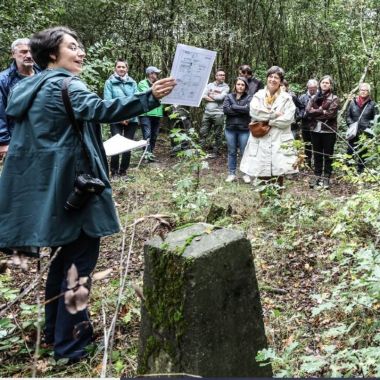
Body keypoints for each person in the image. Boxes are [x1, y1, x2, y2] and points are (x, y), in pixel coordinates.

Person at [0, 26, 175, 362]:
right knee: (77, 269)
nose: (80, 53)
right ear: (52, 54)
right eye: (73, 47)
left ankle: (54, 333)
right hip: (78, 193)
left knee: (62, 263)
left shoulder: (27, 87)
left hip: (50, 194)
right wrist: (150, 97)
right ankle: (72, 347)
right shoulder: (67, 84)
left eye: (81, 47)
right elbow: (104, 110)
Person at [240, 66, 298, 188]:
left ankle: (276, 203)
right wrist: (273, 115)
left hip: (279, 139)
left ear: (280, 81)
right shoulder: (258, 95)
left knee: (279, 173)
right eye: (270, 77)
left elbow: (287, 119)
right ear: (267, 78)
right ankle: (264, 203)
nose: (272, 80)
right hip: (261, 139)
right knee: (261, 172)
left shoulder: (287, 98)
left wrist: (268, 121)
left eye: (276, 77)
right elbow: (254, 113)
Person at [0, 38, 40, 158]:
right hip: (17, 139)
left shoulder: (44, 75)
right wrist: (3, 141)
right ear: (13, 54)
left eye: (31, 51)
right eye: (23, 52)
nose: (28, 55)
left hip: (42, 137)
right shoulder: (3, 80)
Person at [104, 59, 138, 178]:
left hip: (131, 119)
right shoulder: (109, 83)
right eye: (119, 67)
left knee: (127, 146)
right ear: (115, 69)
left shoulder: (133, 83)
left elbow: (135, 101)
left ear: (127, 69)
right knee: (116, 145)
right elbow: (108, 102)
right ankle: (114, 172)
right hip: (116, 119)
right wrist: (120, 118)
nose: (121, 69)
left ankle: (123, 171)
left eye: (123, 67)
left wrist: (128, 117)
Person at [306, 75, 339, 189]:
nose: (325, 84)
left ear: (330, 85)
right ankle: (317, 175)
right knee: (317, 154)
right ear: (320, 84)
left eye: (327, 83)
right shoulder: (314, 97)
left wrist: (316, 113)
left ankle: (326, 178)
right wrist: (322, 111)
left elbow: (331, 114)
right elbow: (307, 111)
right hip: (315, 129)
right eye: (323, 82)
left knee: (328, 155)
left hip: (329, 130)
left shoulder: (334, 98)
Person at [223, 77, 252, 183]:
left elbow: (249, 110)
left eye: (242, 85)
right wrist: (241, 109)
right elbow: (226, 110)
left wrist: (234, 106)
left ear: (245, 87)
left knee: (245, 152)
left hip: (244, 129)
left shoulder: (249, 97)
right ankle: (231, 174)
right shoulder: (229, 96)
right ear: (235, 85)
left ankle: (246, 174)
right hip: (230, 129)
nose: (240, 86)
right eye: (238, 84)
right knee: (232, 151)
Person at [346, 83, 378, 173]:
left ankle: (360, 171)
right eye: (361, 90)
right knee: (350, 150)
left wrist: (369, 128)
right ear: (359, 91)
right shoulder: (353, 103)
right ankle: (348, 170)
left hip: (365, 133)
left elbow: (376, 119)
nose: (363, 92)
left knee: (363, 153)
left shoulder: (372, 104)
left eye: (365, 90)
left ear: (369, 92)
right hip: (353, 132)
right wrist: (352, 125)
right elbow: (348, 116)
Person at [199, 69, 230, 158]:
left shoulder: (226, 87)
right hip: (207, 112)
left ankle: (216, 152)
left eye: (223, 75)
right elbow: (203, 96)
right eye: (220, 75)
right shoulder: (209, 85)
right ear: (216, 76)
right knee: (203, 132)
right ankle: (200, 151)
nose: (222, 76)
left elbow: (221, 97)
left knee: (218, 133)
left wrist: (211, 95)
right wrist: (214, 97)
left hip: (219, 113)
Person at [137, 66, 164, 161]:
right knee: (147, 135)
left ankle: (150, 154)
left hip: (157, 113)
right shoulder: (142, 83)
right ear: (150, 74)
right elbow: (148, 94)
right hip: (146, 114)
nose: (157, 75)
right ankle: (147, 156)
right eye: (155, 73)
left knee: (154, 135)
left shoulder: (158, 84)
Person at [298, 79, 319, 168]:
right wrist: (303, 114)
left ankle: (317, 165)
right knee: (307, 146)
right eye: (310, 88)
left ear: (317, 87)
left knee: (317, 146)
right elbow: (299, 110)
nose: (312, 90)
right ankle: (308, 164)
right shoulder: (302, 97)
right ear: (307, 87)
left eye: (314, 88)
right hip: (305, 125)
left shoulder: (320, 96)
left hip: (317, 125)